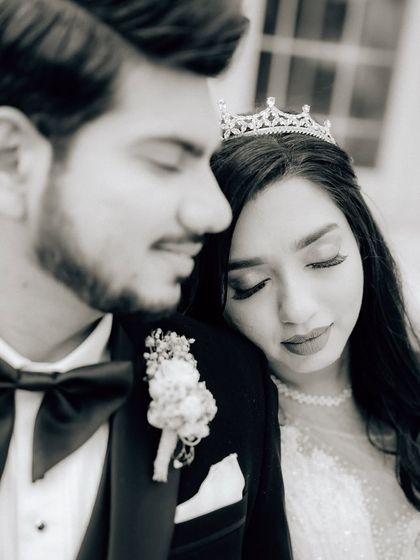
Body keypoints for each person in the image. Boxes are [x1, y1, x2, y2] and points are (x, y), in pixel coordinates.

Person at [0, 3, 292, 559]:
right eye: (165, 161)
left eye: (206, 161)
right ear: (13, 159)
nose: (215, 213)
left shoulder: (232, 382)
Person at [189, 98, 420, 559]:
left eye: (323, 260)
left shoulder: (410, 383)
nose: (296, 309)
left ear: (362, 244)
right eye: (250, 286)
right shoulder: (212, 427)